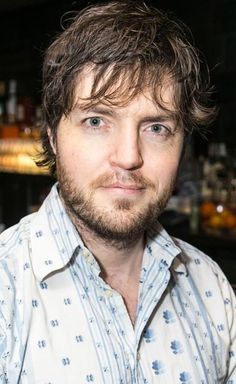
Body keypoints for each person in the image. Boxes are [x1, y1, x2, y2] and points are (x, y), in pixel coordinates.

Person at [0, 1, 235, 382]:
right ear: (52, 136)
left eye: (156, 128)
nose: (128, 158)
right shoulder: (5, 290)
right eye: (96, 121)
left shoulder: (212, 288)